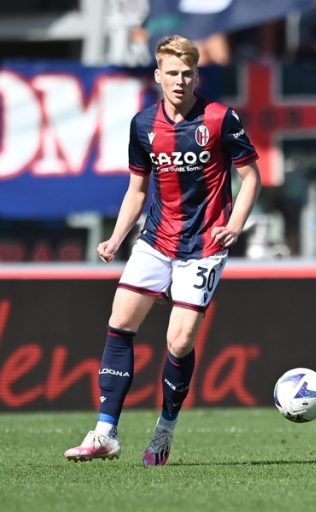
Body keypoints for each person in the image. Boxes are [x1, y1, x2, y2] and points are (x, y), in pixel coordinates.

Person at [64, 35, 262, 466]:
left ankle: (164, 432)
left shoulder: (220, 118)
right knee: (120, 322)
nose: (179, 80)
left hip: (206, 243)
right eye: (171, 73)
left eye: (187, 73)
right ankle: (104, 433)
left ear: (197, 76)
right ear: (157, 76)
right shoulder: (143, 125)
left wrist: (234, 224)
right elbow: (137, 190)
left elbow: (251, 178)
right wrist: (117, 238)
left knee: (180, 339)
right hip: (156, 239)